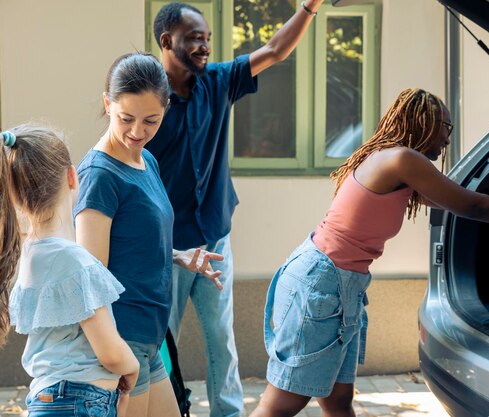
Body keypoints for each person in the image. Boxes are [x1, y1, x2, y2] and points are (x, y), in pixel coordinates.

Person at [249, 88, 489, 417]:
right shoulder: (402, 158)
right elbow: (471, 204)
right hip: (322, 283)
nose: (448, 139)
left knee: (338, 399)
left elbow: (454, 202)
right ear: (426, 122)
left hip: (338, 283)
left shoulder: (396, 166)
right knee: (285, 401)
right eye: (446, 127)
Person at [145, 2, 323, 415]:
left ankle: (227, 412)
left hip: (214, 236)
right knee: (159, 345)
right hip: (165, 249)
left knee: (221, 339)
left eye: (206, 38)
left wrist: (310, 7)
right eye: (194, 38)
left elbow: (276, 50)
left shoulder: (218, 81)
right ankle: (163, 409)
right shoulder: (148, 98)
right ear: (167, 41)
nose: (204, 45)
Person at [73, 52, 223, 417]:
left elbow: (130, 240)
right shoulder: (99, 175)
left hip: (149, 340)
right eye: (126, 118)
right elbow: (90, 282)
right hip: (122, 343)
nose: (137, 132)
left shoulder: (145, 159)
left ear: (166, 110)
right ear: (107, 104)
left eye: (150, 120)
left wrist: (177, 256)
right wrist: (117, 358)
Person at [0, 125, 140, 417]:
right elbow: (110, 352)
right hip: (80, 401)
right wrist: (133, 366)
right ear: (72, 177)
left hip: (44, 398)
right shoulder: (75, 261)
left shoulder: (28, 255)